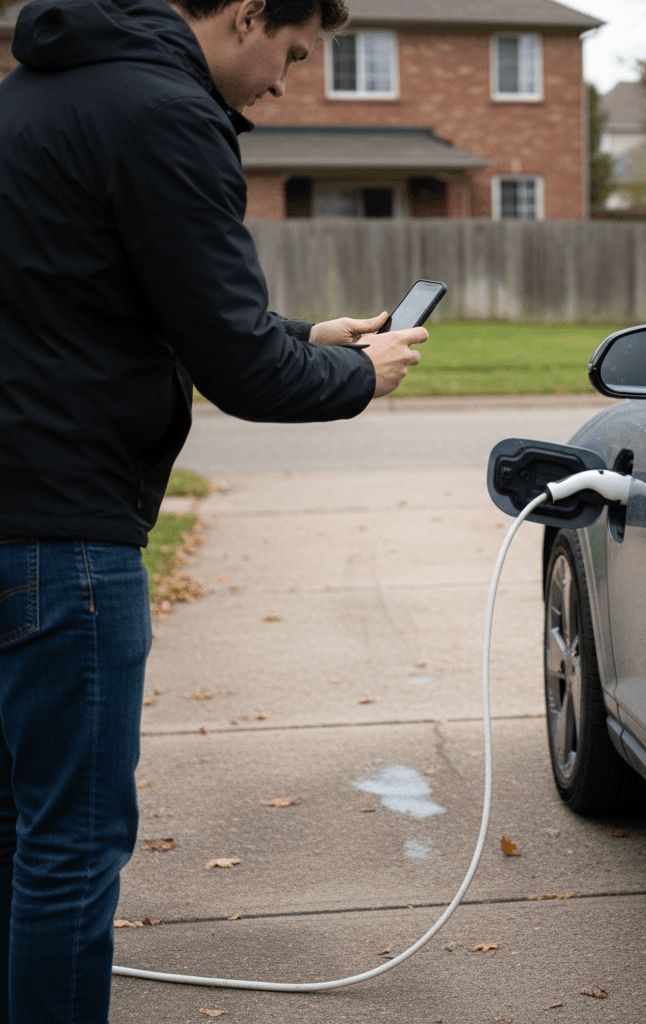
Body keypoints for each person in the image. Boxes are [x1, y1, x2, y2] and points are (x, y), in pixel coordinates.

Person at [0, 0, 425, 1018]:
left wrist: (303, 332)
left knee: (19, 832)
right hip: (66, 541)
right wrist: (356, 377)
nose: (284, 85)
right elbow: (241, 371)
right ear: (243, 13)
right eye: (289, 53)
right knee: (69, 844)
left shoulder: (34, 96)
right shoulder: (166, 112)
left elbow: (108, 296)